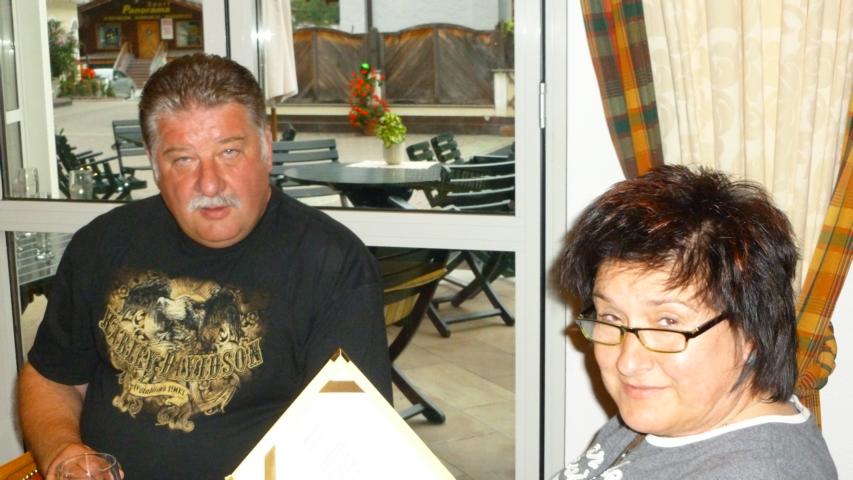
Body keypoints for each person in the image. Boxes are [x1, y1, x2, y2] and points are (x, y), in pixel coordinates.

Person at [18, 53, 392, 479]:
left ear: (266, 149)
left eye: (229, 152)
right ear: (155, 165)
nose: (210, 184)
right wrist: (62, 451)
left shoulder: (333, 264)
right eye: (183, 159)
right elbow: (52, 377)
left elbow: (352, 442)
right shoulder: (102, 243)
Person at [554, 165, 837, 479]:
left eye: (667, 321)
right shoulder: (669, 413)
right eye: (611, 317)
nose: (628, 362)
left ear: (751, 331)